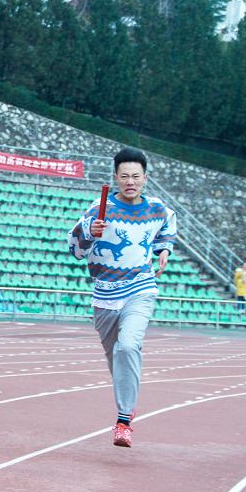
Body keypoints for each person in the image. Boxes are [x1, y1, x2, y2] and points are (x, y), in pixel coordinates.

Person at [68, 147, 177, 448]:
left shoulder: (156, 208)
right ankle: (126, 403)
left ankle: (123, 421)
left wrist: (164, 249)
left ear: (145, 178)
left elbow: (168, 225)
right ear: (115, 178)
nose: (131, 182)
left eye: (136, 176)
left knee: (128, 347)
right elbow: (75, 250)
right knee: (115, 360)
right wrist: (90, 231)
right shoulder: (99, 209)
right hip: (105, 294)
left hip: (140, 288)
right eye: (125, 176)